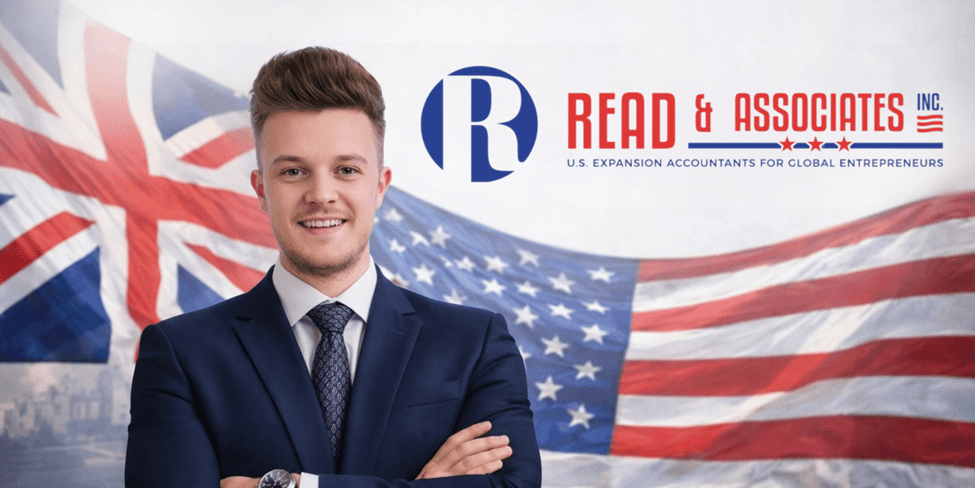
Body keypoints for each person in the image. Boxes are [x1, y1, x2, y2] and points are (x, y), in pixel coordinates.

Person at [124, 47, 541, 488]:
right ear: (261, 190)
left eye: (345, 169)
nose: (321, 194)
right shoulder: (181, 355)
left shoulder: (474, 344)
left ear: (379, 186)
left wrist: (296, 486)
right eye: (293, 172)